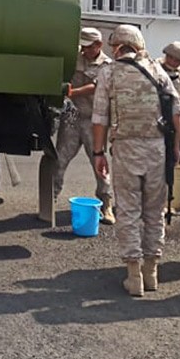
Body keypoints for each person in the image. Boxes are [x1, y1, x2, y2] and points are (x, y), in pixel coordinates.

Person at [92, 24, 179, 297]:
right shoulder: (157, 70)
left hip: (126, 147)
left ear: (116, 46)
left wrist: (98, 153)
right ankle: (152, 272)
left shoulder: (108, 72)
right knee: (155, 211)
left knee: (128, 211)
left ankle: (134, 276)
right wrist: (176, 147)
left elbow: (100, 117)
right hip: (157, 148)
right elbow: (176, 109)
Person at [53, 27, 115, 225]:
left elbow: (96, 87)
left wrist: (72, 92)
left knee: (99, 162)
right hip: (72, 117)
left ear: (99, 45)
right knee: (59, 159)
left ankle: (106, 204)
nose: (84, 50)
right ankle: (50, 200)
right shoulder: (75, 59)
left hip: (94, 121)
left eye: (88, 47)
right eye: (83, 46)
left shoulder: (107, 65)